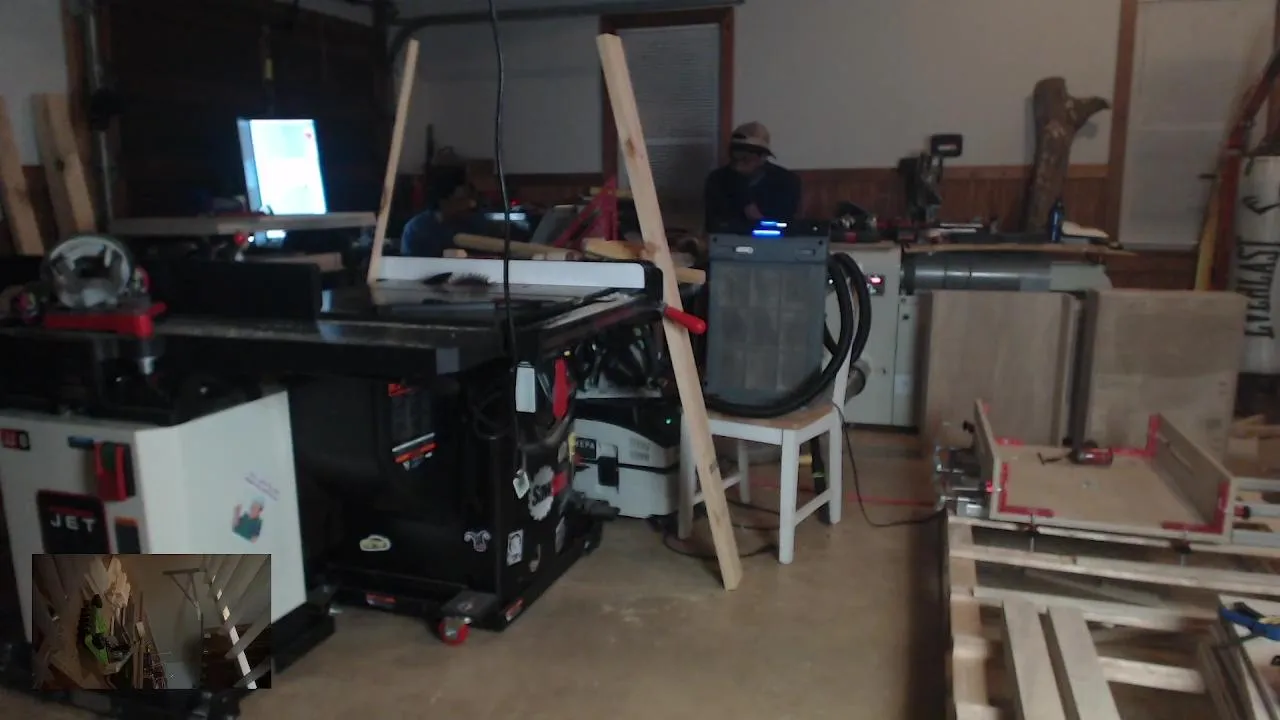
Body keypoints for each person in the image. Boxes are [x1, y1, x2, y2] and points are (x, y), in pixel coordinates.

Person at [703, 122, 802, 233]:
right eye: (735, 152)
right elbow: (714, 226)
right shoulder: (717, 179)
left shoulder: (786, 181)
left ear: (763, 156)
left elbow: (779, 225)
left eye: (747, 156)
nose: (739, 163)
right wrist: (738, 181)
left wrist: (745, 195)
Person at [399, 165, 490, 257]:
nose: (472, 203)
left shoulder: (476, 222)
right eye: (462, 198)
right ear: (443, 201)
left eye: (471, 196)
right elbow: (411, 261)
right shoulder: (417, 229)